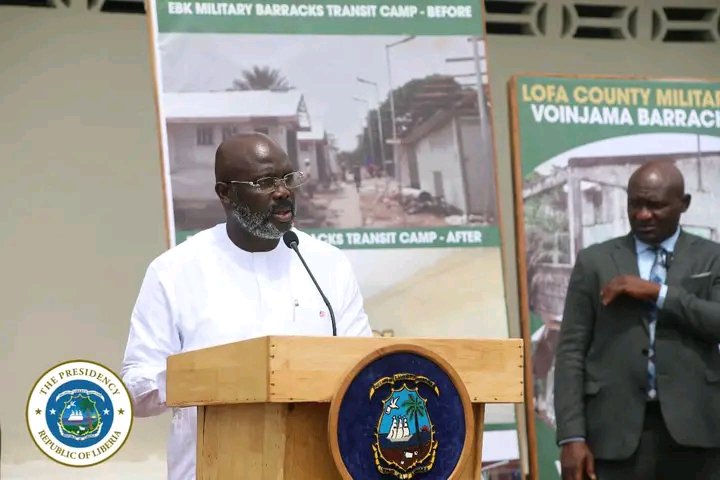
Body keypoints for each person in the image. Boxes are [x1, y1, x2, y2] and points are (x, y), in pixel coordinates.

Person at [120, 132, 373, 480]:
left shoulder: (326, 264)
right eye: (265, 182)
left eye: (287, 178)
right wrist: (200, 378)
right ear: (225, 193)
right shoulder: (174, 271)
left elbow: (363, 369)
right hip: (209, 470)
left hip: (314, 466)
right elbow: (136, 388)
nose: (283, 191)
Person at [554, 160, 720, 480]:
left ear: (683, 204)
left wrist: (659, 293)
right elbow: (571, 351)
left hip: (697, 433)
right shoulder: (595, 261)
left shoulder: (712, 257)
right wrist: (571, 436)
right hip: (614, 436)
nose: (643, 215)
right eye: (635, 204)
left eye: (655, 205)